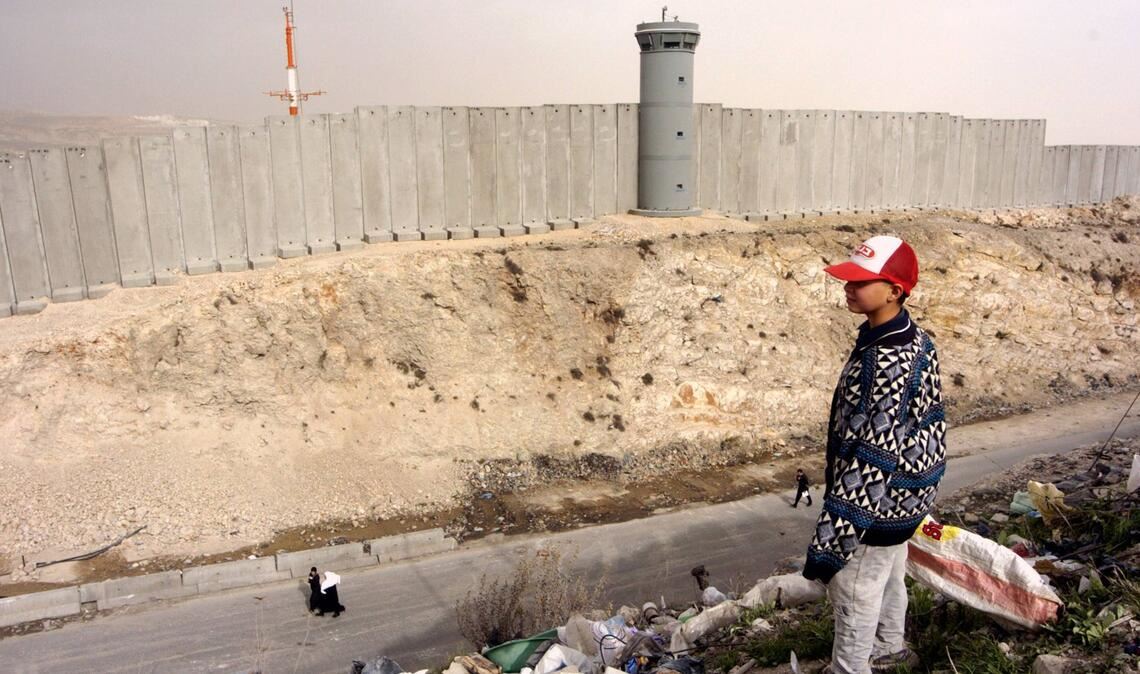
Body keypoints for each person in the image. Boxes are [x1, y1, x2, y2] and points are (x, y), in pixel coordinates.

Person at [802, 235, 947, 674]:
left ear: (895, 290)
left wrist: (834, 538)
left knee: (853, 587)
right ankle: (890, 648)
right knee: (888, 575)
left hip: (879, 502)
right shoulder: (912, 338)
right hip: (908, 493)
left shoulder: (886, 361)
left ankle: (851, 667)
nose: (848, 287)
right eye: (848, 279)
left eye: (861, 281)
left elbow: (872, 457)